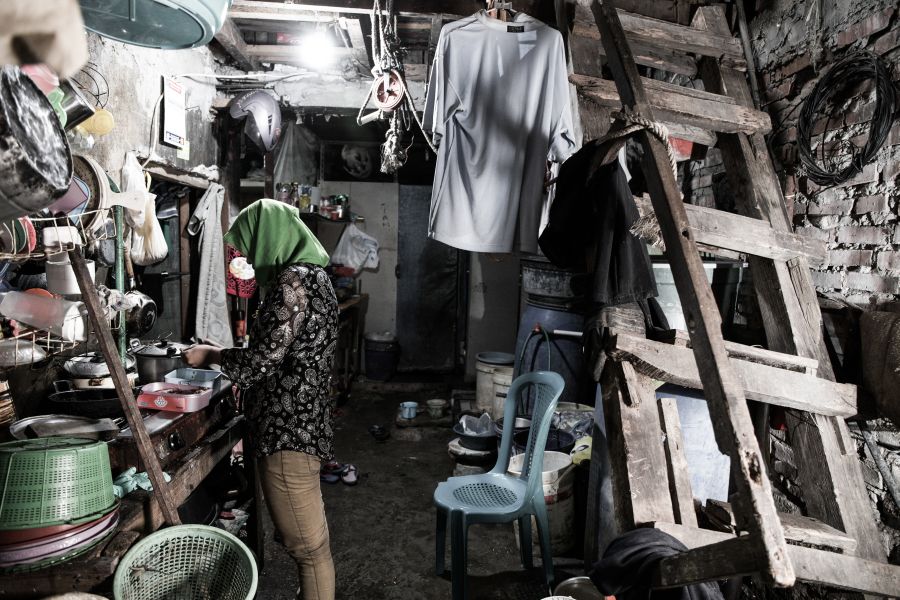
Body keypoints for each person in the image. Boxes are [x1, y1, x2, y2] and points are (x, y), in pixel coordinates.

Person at [184, 198, 338, 600]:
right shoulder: (317, 277)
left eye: (251, 247)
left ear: (270, 238)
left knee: (308, 549)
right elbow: (280, 351)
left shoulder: (293, 282)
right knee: (312, 545)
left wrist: (212, 355)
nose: (248, 259)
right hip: (306, 425)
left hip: (288, 431)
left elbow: (260, 361)